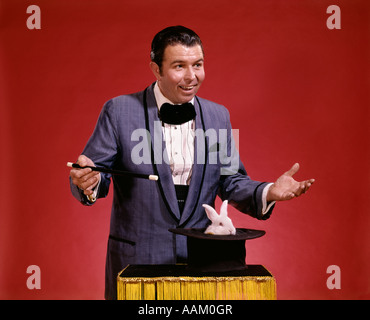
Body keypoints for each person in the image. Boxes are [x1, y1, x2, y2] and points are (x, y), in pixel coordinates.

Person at [69, 26, 314, 299]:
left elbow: (230, 180)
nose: (191, 76)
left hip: (204, 264)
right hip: (138, 261)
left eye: (197, 65)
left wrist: (269, 191)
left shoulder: (218, 115)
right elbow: (94, 172)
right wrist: (87, 183)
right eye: (179, 66)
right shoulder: (118, 110)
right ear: (156, 69)